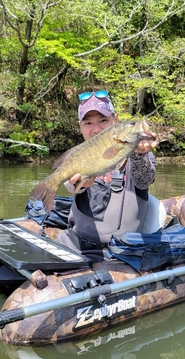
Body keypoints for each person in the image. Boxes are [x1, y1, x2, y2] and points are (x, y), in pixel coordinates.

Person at [57, 91, 158, 262]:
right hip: (74, 246)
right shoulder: (78, 155)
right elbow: (69, 185)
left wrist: (139, 155)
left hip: (118, 257)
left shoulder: (137, 151)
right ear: (80, 126)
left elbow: (145, 180)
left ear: (115, 120)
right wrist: (81, 183)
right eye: (88, 123)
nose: (96, 129)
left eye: (103, 120)